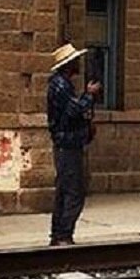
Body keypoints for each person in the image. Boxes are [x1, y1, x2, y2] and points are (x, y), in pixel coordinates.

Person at [46, 42, 101, 246]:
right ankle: (63, 235)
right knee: (73, 192)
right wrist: (89, 94)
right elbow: (73, 111)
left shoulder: (62, 84)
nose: (79, 63)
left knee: (64, 191)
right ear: (69, 64)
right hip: (67, 146)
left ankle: (58, 234)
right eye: (75, 60)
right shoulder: (60, 85)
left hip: (68, 144)